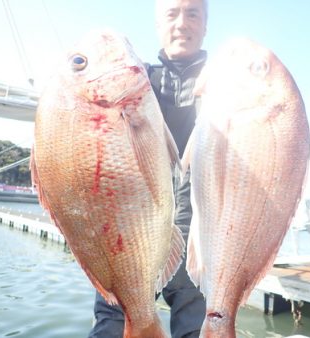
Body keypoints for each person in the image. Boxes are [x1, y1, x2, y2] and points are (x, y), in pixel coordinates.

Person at [88, 0, 208, 337]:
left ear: (205, 25)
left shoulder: (228, 84)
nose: (182, 23)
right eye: (172, 14)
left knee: (195, 329)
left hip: (198, 240)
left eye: (193, 13)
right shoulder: (138, 82)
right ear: (158, 24)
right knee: (113, 323)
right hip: (131, 233)